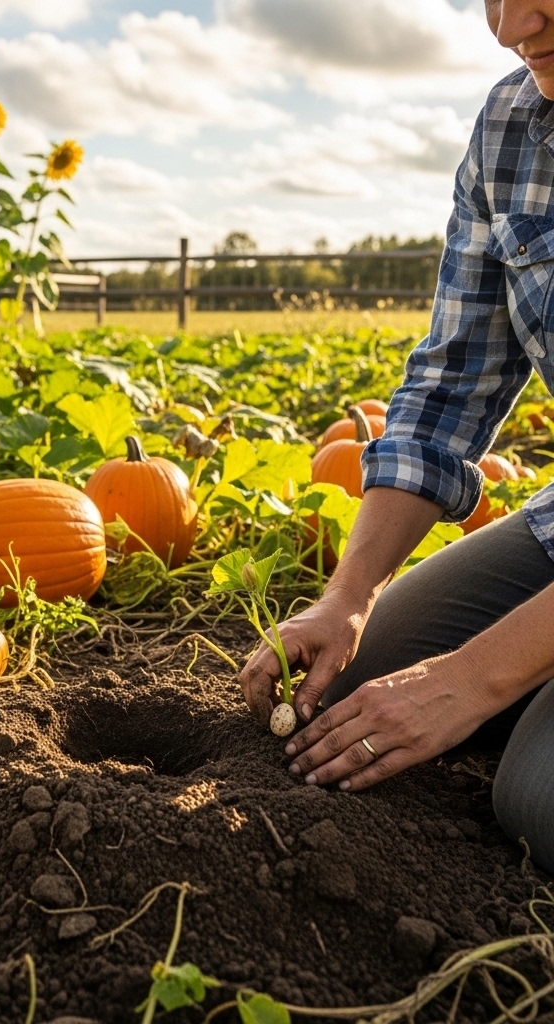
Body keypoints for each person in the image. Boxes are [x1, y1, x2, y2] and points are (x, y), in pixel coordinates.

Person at [238, 0, 554, 873]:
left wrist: (478, 674)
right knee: (349, 682)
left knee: (539, 799)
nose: (509, 24)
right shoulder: (512, 123)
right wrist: (348, 597)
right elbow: (452, 382)